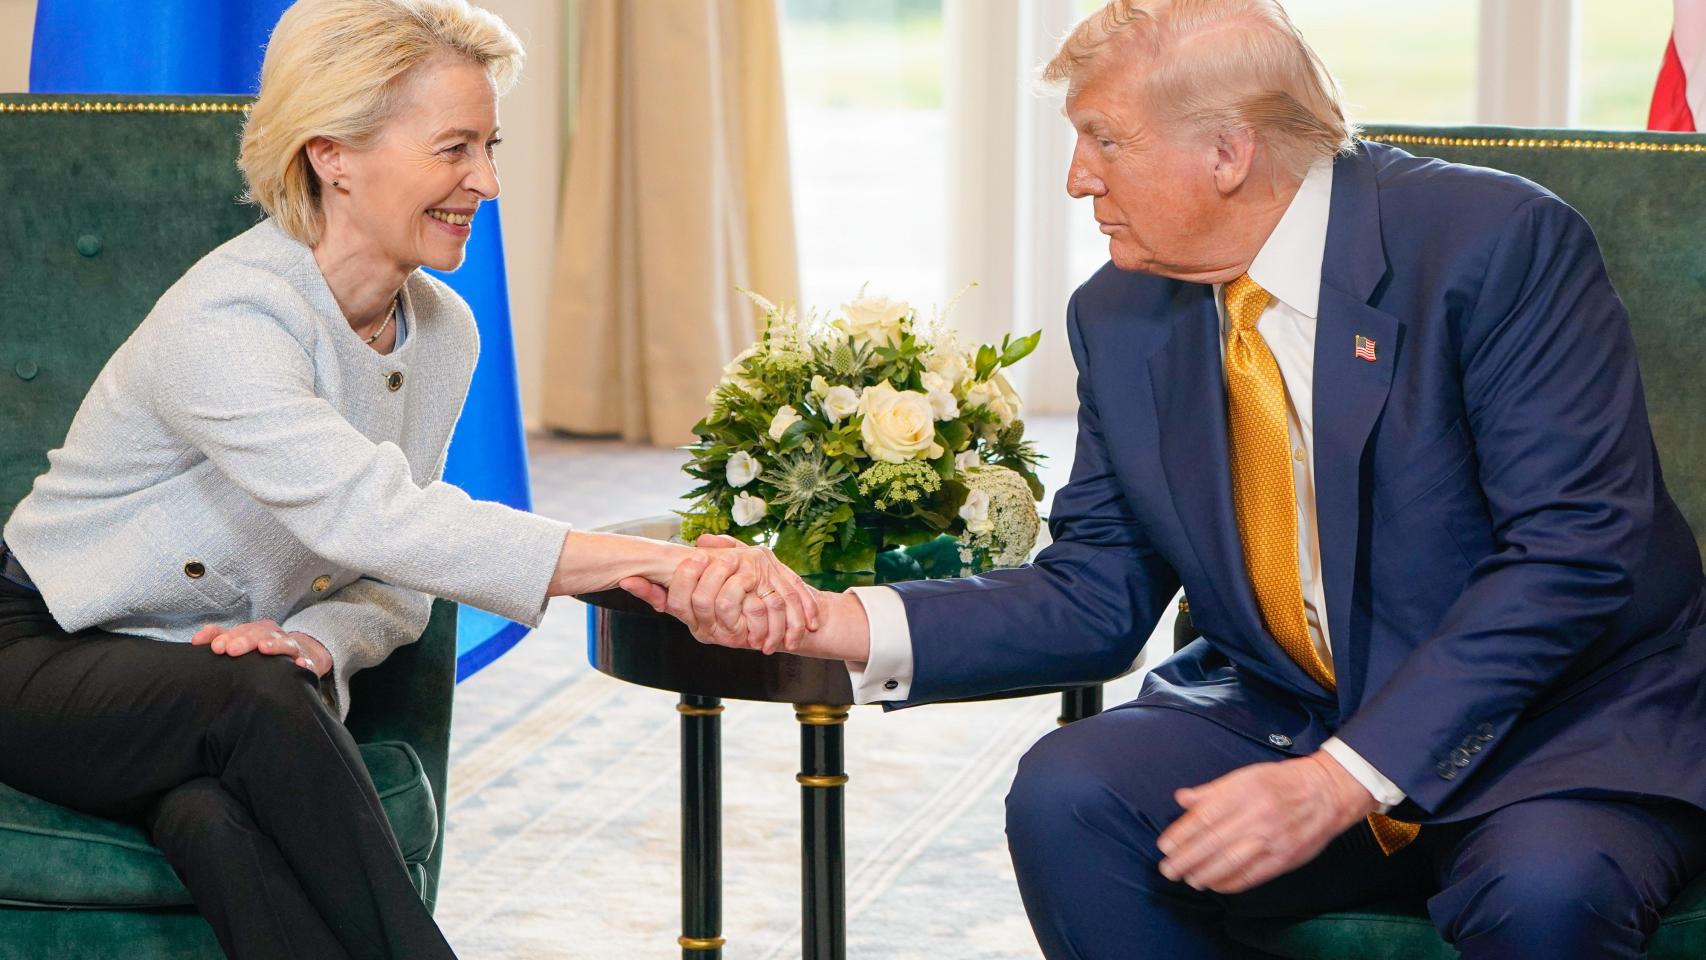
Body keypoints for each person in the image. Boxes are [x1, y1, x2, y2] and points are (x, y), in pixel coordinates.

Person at [636, 1, 1706, 957]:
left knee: (1546, 891)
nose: (1076, 177)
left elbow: (1569, 557)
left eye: (1103, 141)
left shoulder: (1490, 243)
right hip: (1290, 708)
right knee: (1071, 793)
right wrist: (831, 619)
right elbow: (1095, 591)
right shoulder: (1121, 311)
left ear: (1227, 152)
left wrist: (1340, 779)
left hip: (1551, 728)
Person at [0, 1, 809, 958]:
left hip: (205, 677)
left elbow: (393, 578)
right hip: (42, 649)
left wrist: (314, 642)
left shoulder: (442, 330)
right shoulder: (231, 316)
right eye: (454, 149)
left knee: (212, 818)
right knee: (253, 703)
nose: (489, 182)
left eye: (490, 147)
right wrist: (655, 564)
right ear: (332, 153)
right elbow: (373, 517)